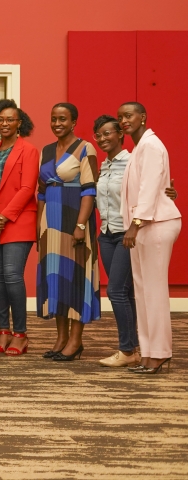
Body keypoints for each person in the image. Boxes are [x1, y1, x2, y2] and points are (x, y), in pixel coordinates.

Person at [93, 114, 178, 368]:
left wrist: (136, 223)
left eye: (108, 132)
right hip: (109, 232)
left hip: (130, 231)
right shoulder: (107, 165)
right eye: (98, 135)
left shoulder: (138, 154)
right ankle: (141, 350)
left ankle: (131, 349)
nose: (102, 138)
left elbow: (151, 187)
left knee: (120, 291)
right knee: (133, 292)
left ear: (120, 133)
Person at [119, 102, 182, 375]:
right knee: (143, 292)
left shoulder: (151, 145)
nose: (124, 120)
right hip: (145, 225)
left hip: (154, 224)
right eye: (120, 116)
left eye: (129, 115)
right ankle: (148, 353)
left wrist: (135, 225)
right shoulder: (140, 147)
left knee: (154, 293)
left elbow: (148, 189)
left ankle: (159, 353)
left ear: (143, 117)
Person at [0, 99, 39, 356]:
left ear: (19, 123)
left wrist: (1, 217)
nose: (4, 123)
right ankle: (3, 331)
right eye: (0, 119)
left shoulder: (29, 150)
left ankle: (21, 334)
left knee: (13, 276)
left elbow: (27, 188)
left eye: (10, 119)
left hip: (17, 221)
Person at [37, 103, 99, 362]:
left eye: (62, 119)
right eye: (53, 119)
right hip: (49, 224)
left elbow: (89, 190)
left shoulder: (86, 148)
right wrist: (38, 226)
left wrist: (80, 225)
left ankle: (76, 341)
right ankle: (61, 338)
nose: (57, 123)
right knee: (56, 279)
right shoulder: (47, 150)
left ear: (74, 121)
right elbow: (41, 191)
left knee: (75, 276)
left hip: (74, 219)